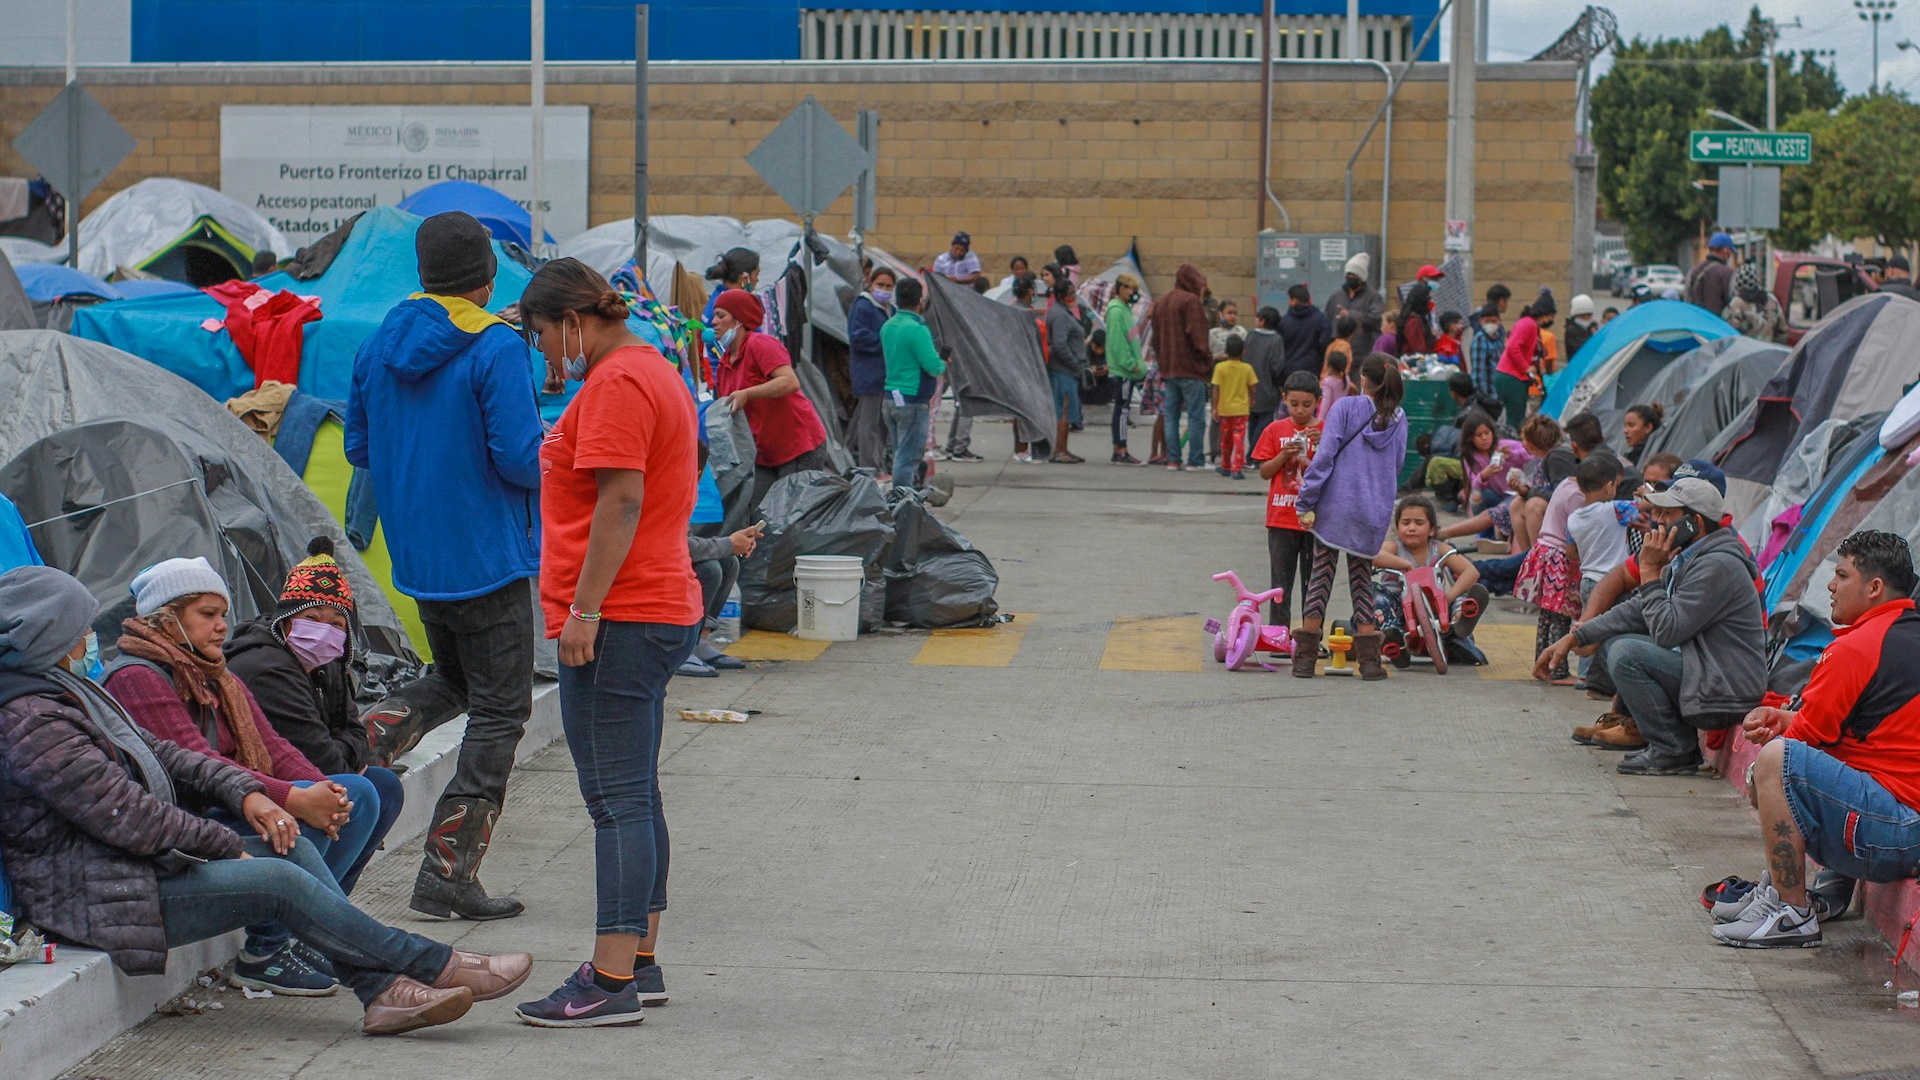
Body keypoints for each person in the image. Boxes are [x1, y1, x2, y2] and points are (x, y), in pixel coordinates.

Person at [0, 566, 532, 1036]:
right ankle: (431, 962)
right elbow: (127, 814)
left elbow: (169, 755)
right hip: (99, 893)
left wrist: (252, 795)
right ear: (49, 636)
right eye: (81, 629)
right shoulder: (33, 720)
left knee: (298, 844)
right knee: (275, 876)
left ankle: (382, 992)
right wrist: (226, 840)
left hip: (134, 867)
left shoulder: (64, 693)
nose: (92, 637)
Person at [514, 258, 704, 1026]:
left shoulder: (620, 381)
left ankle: (611, 979)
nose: (542, 354)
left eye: (539, 337)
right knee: (637, 795)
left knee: (615, 802)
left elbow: (622, 501)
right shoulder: (651, 368)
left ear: (570, 322)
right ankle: (641, 960)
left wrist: (584, 612)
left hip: (622, 614)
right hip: (649, 605)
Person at [345, 210, 541, 921]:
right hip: (488, 556)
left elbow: (360, 451)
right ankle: (448, 870)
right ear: (488, 279)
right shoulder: (497, 347)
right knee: (499, 710)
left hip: (420, 559)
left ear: (424, 274)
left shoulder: (377, 343)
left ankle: (349, 746)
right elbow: (521, 457)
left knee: (453, 680)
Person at [104, 557, 392, 994]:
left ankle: (315, 933)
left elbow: (274, 745)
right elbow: (198, 762)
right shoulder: (138, 677)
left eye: (223, 615)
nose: (221, 626)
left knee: (360, 794)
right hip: (183, 827)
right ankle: (268, 949)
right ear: (166, 619)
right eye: (207, 615)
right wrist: (295, 798)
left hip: (224, 803)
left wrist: (324, 789)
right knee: (292, 816)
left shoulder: (215, 673)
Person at [1712, 532, 1920, 948]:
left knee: (1776, 763)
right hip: (1907, 827)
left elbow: (1806, 748)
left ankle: (1791, 910)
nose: (1830, 585)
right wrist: (1787, 717)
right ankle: (1810, 893)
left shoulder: (1856, 649)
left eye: (1841, 575)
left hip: (1896, 835)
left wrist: (1759, 773)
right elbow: (1864, 732)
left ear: (1874, 587)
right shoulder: (1904, 635)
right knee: (1818, 761)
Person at [1535, 476, 1766, 775]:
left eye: (1668, 515)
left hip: (1725, 687)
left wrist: (1648, 571)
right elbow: (1638, 611)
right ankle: (1641, 728)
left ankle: (1674, 748)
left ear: (1694, 522)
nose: (1657, 522)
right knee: (1611, 643)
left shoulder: (1717, 565)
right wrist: (1576, 636)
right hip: (1706, 672)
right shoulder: (1692, 557)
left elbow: (1667, 630)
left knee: (1626, 653)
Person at [225, 538, 403, 894]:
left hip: (305, 778)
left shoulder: (326, 663)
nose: (325, 630)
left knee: (384, 786)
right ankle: (299, 926)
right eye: (311, 618)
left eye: (337, 623)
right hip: (254, 791)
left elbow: (356, 735)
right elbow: (327, 761)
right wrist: (349, 752)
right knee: (357, 790)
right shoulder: (266, 668)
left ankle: (331, 906)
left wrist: (349, 751)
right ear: (287, 621)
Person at [1293, 354, 1408, 679]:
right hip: (1372, 511)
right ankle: (1370, 663)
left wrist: (1306, 500)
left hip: (1336, 507)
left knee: (1321, 576)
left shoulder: (1344, 407)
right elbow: (1397, 466)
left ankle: (1304, 660)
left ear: (1362, 378)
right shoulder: (1400, 418)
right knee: (1362, 581)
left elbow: (1326, 456)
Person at [711, 288, 831, 516]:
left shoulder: (761, 344)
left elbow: (789, 382)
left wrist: (748, 393)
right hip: (764, 453)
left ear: (739, 319)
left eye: (721, 315)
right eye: (714, 316)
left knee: (790, 516)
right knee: (758, 514)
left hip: (797, 446)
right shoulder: (726, 361)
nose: (714, 322)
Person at [1516, 456, 1620, 684]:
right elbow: (1581, 534)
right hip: (1560, 557)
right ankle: (1558, 671)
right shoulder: (1579, 498)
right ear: (1608, 485)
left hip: (1545, 552)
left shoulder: (1566, 484)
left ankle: (1542, 664)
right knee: (1562, 615)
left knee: (1548, 614)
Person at [1372, 496, 1488, 661]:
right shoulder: (1394, 547)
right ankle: (1393, 635)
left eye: (1419, 523)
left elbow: (1471, 571)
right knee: (1375, 592)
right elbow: (1375, 555)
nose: (1412, 528)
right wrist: (1404, 564)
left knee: (1466, 592)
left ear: (1432, 530)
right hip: (1398, 606)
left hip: (1435, 605)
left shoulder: (1438, 549)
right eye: (1406, 523)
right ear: (1397, 528)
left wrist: (1449, 597)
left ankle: (1460, 620)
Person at [1252, 371, 1323, 629]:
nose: (1300, 410)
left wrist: (1324, 445)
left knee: (1313, 582)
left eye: (1307, 404)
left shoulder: (1325, 431)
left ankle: (1309, 635)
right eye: (1294, 404)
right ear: (1284, 399)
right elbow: (1264, 472)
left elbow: (1336, 471)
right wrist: (1283, 455)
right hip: (1281, 519)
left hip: (1314, 520)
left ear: (1318, 401)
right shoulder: (1275, 430)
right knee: (1280, 582)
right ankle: (1277, 634)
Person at [882, 276, 950, 480]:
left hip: (890, 397)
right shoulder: (917, 329)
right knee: (908, 458)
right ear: (920, 301)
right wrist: (943, 361)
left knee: (899, 453)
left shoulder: (888, 326)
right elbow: (933, 367)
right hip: (912, 399)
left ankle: (902, 499)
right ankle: (903, 505)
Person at [1148, 263, 1213, 472]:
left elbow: (1155, 339)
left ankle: (1173, 459)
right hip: (1190, 369)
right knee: (1196, 416)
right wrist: (1207, 363)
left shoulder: (1162, 302)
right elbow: (1199, 339)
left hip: (1168, 369)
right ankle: (1195, 460)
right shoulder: (1190, 301)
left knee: (1171, 415)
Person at [845, 266, 896, 472]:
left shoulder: (890, 309)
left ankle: (879, 463)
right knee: (869, 424)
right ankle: (869, 467)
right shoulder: (864, 306)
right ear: (871, 284)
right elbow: (858, 338)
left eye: (888, 286)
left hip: (886, 375)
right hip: (870, 374)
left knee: (882, 425)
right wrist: (886, 341)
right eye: (880, 284)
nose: (884, 289)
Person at [1042, 276, 1088, 464]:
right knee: (1064, 410)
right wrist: (1075, 364)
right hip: (1064, 370)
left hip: (1066, 370)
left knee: (1066, 410)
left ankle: (1063, 449)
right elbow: (1059, 345)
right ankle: (1059, 450)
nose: (1073, 297)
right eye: (1070, 294)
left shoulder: (1062, 312)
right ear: (1062, 296)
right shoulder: (1061, 315)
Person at [1104, 273, 1148, 465]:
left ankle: (1119, 449)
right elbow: (1117, 343)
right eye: (1132, 290)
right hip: (1123, 371)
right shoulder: (1116, 311)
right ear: (1122, 289)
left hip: (1128, 371)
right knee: (1122, 411)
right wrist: (1131, 364)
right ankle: (1121, 450)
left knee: (1123, 410)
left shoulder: (1125, 309)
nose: (1134, 294)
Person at [1494, 290, 1554, 426]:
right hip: (1513, 377)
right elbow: (1512, 348)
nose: (1551, 320)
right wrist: (1526, 367)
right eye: (1551, 316)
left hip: (1513, 377)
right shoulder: (1528, 324)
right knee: (1515, 421)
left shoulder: (1530, 325)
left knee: (1514, 418)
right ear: (1545, 314)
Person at [1210, 335, 1257, 479]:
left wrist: (1214, 407)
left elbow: (1216, 389)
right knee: (1239, 439)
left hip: (1225, 410)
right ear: (1243, 351)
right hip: (1241, 410)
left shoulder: (1220, 367)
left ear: (1226, 351)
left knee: (1225, 439)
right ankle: (1237, 468)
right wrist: (1252, 399)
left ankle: (1225, 466)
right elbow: (1253, 387)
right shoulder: (1247, 368)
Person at [1324, 252, 1384, 356]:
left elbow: (1376, 319)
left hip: (1362, 352)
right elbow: (1327, 320)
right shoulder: (1336, 296)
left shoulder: (1373, 297)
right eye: (1348, 275)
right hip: (1339, 353)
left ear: (1361, 279)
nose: (1350, 278)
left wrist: (1351, 315)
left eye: (1354, 276)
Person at [1244, 304, 1285, 447]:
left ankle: (1251, 450)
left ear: (1262, 321)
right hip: (1268, 388)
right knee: (1265, 421)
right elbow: (1277, 366)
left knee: (1253, 421)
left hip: (1249, 387)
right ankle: (1254, 454)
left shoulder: (1250, 336)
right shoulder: (1276, 340)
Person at [1278, 282, 1334, 385]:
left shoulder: (1284, 321)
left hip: (1289, 371)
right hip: (1313, 370)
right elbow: (1324, 344)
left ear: (1294, 301)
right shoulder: (1321, 319)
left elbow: (1279, 346)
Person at [1722, 262, 1786, 343]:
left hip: (1746, 352)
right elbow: (1782, 330)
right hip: (1769, 351)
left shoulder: (1737, 303)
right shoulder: (1772, 299)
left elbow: (1729, 333)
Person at [701, 247, 761, 321]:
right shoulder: (737, 305)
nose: (757, 280)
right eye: (756, 274)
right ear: (745, 278)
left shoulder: (717, 296)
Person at [1685, 232, 1737, 315]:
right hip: (1717, 323)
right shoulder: (1729, 273)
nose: (1730, 255)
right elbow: (1733, 301)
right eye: (1730, 251)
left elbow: (1687, 297)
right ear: (1725, 250)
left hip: (1695, 321)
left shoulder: (1693, 270)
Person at [1468, 304, 1506, 407]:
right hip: (1487, 398)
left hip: (1499, 395)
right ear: (1481, 321)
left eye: (1494, 321)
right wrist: (1484, 398)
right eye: (1487, 321)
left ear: (1499, 321)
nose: (1491, 324)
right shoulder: (1480, 340)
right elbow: (1478, 373)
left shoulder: (1499, 340)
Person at [1397, 280, 1434, 356]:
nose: (1431, 302)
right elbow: (1420, 349)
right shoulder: (1414, 322)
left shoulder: (1417, 319)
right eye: (1429, 299)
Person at [1209, 300, 1249, 366]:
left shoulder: (1241, 331)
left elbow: (1246, 353)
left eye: (1235, 313)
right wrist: (1216, 357)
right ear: (1221, 314)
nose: (1233, 316)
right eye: (1229, 313)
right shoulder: (1212, 333)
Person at [1323, 313, 1356, 389]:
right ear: (1353, 332)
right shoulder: (1344, 347)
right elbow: (1338, 370)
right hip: (1335, 386)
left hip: (1325, 382)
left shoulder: (1332, 344)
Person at [1318, 346, 1350, 421]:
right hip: (1342, 413)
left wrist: (1320, 420)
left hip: (1330, 415)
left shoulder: (1328, 382)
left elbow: (1326, 402)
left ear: (1329, 366)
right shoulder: (1346, 379)